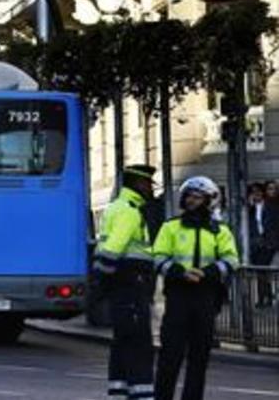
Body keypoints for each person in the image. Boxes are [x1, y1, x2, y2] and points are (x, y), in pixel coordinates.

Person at [152, 176, 239, 400]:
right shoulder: (170, 227)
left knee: (199, 359)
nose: (191, 201)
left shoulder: (220, 231)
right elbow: (158, 257)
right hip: (178, 297)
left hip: (206, 298)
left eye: (197, 197)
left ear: (209, 201)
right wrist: (181, 272)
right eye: (189, 196)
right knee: (170, 357)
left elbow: (231, 260)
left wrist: (208, 273)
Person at [93, 164, 158, 400]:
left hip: (121, 285)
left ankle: (118, 392)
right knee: (139, 343)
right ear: (139, 184)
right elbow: (114, 249)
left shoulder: (116, 207)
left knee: (121, 342)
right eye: (149, 184)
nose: (151, 188)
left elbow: (106, 254)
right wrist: (108, 278)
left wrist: (102, 283)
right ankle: (142, 394)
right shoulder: (130, 212)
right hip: (130, 283)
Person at [247, 184, 274, 307]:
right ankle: (266, 297)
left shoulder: (269, 206)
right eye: (253, 192)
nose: (256, 194)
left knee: (263, 270)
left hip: (267, 243)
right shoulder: (250, 209)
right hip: (255, 244)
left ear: (262, 193)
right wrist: (250, 206)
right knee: (260, 272)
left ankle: (265, 298)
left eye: (258, 192)